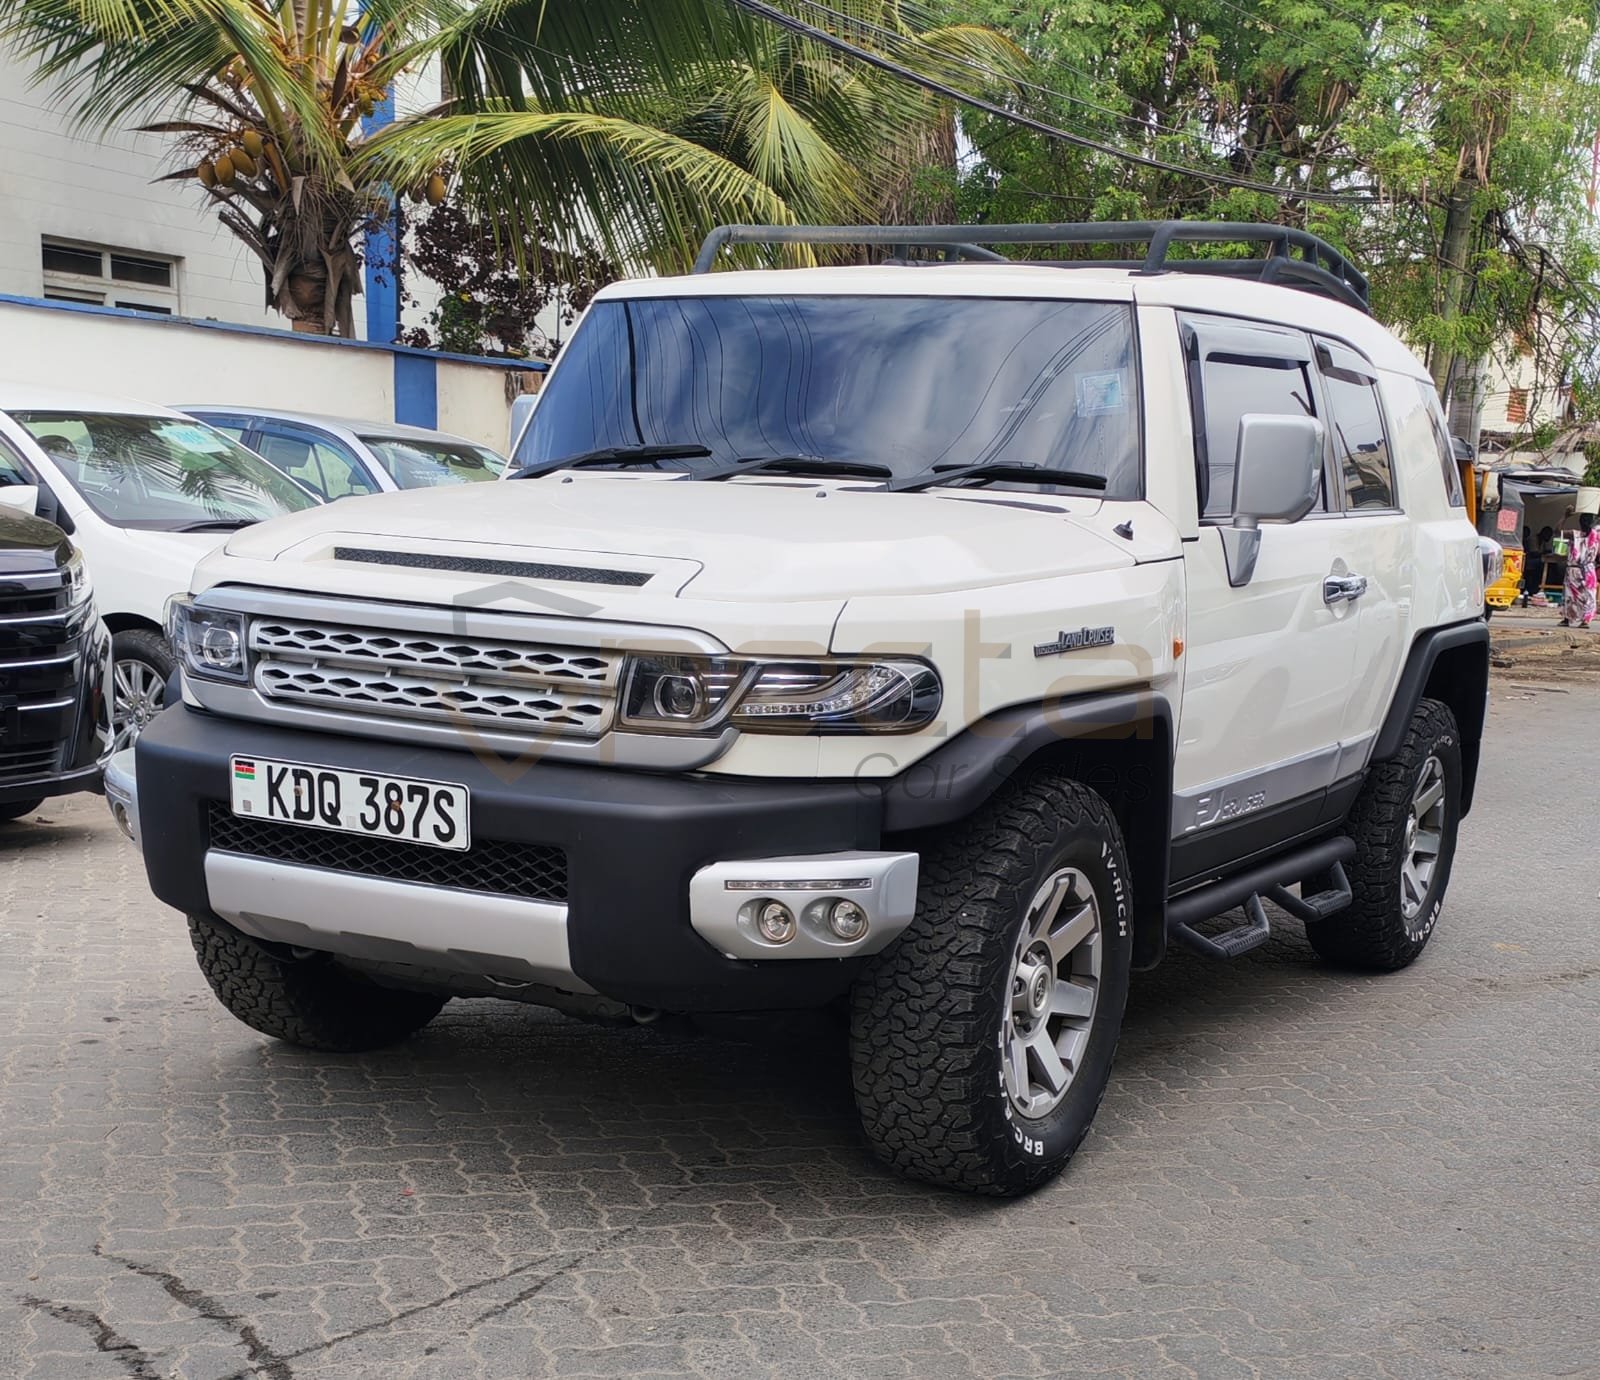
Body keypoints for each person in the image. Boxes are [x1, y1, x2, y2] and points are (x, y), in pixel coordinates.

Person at [1560, 513, 1598, 628]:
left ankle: (1567, 619)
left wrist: (1565, 516)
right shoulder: (1596, 535)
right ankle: (1585, 620)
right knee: (1588, 596)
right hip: (1588, 570)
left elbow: (1557, 531)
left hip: (1574, 569)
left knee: (1570, 595)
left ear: (1580, 523)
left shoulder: (1574, 534)